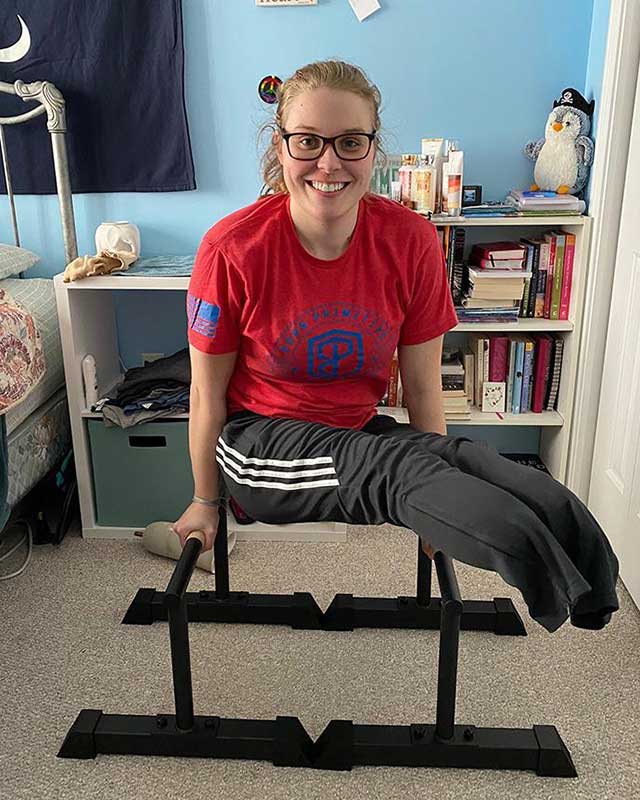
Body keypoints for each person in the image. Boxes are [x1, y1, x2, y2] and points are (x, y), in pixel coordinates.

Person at [173, 59, 619, 634]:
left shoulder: (409, 239)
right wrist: (205, 502)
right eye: (307, 142)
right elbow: (205, 392)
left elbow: (423, 381)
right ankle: (547, 581)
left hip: (354, 432)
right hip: (259, 446)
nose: (328, 163)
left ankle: (593, 581)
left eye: (350, 143)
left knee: (460, 460)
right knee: (398, 474)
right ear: (280, 147)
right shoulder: (231, 248)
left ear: (373, 150)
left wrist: (439, 503)